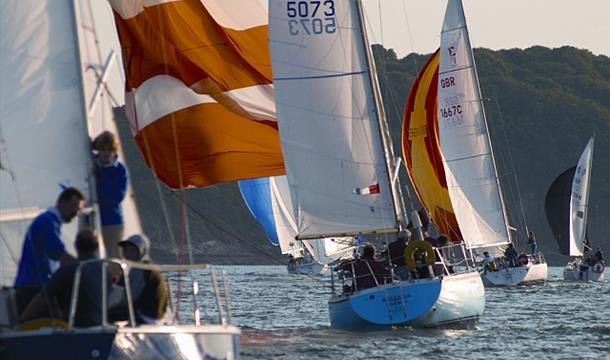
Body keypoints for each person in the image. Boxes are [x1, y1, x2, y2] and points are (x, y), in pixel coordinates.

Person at [13, 187, 83, 314]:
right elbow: (59, 254)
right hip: (33, 287)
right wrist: (84, 266)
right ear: (60, 202)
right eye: (73, 206)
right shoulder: (47, 222)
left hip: (37, 285)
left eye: (78, 209)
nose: (75, 212)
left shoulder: (51, 222)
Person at [20, 228, 109, 327]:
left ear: (75, 245)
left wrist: (21, 321)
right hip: (100, 327)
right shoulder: (106, 271)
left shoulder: (67, 270)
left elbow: (41, 300)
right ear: (97, 246)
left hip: (74, 329)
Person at [109, 234, 168, 324]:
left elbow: (129, 299)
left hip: (146, 316)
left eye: (132, 250)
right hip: (157, 316)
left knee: (106, 314)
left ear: (141, 251)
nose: (128, 254)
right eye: (126, 250)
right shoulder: (150, 266)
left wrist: (108, 306)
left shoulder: (139, 268)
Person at [92, 131, 128, 259]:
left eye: (109, 149)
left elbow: (117, 197)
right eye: (103, 149)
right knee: (91, 258)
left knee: (113, 258)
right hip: (89, 219)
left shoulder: (119, 170)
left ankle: (116, 279)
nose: (106, 153)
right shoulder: (89, 164)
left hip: (112, 221)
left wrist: (100, 181)